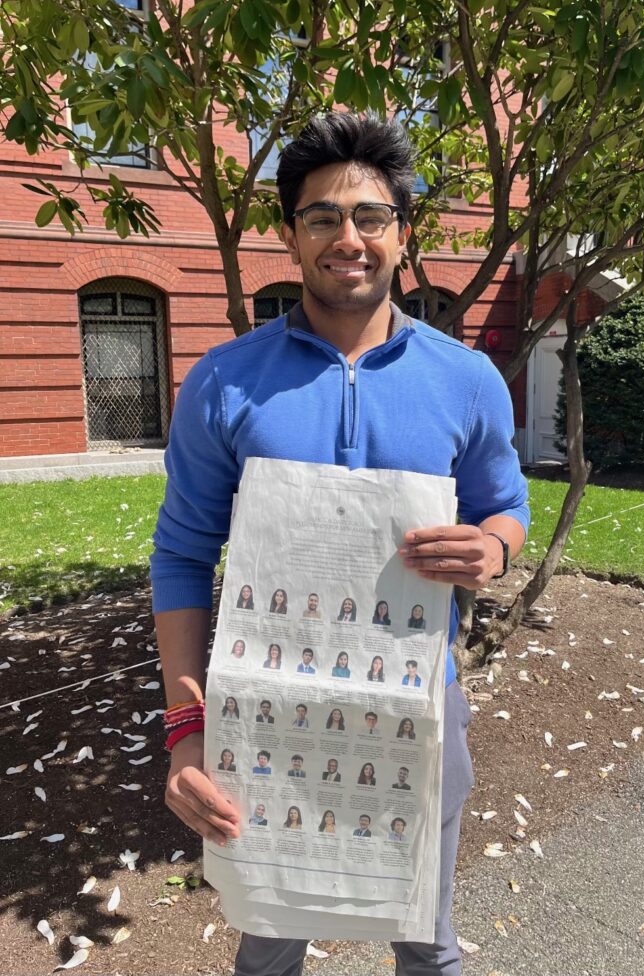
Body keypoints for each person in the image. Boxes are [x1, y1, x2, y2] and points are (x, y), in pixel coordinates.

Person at [152, 112, 529, 976]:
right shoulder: (225, 381)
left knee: (427, 942)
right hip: (259, 723)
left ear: (402, 233)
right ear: (290, 237)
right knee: (268, 945)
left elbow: (508, 509)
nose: (347, 237)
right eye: (322, 216)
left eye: (370, 215)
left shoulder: (465, 380)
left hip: (419, 711)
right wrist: (185, 728)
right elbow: (180, 556)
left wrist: (494, 551)